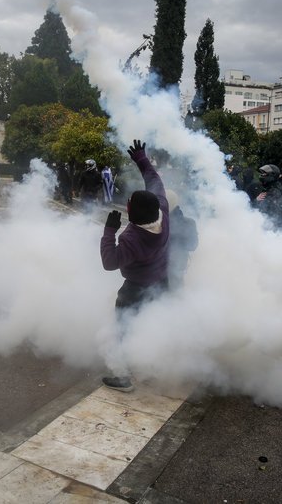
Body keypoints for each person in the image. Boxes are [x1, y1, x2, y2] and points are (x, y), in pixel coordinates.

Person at [100, 140, 170, 393]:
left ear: (130, 211)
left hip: (137, 288)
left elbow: (109, 262)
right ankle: (152, 366)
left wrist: (109, 231)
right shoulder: (162, 209)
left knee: (123, 328)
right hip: (161, 281)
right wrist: (141, 158)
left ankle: (123, 377)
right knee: (152, 324)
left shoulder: (133, 239)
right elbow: (155, 182)